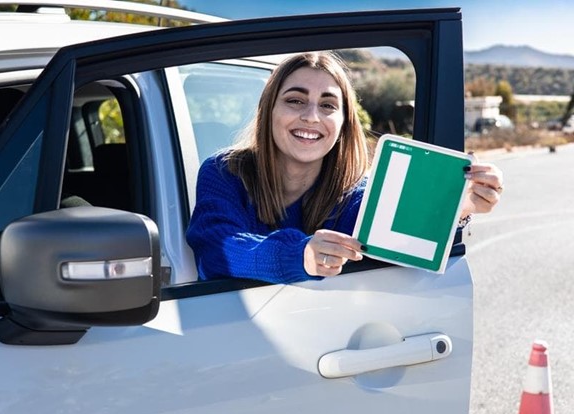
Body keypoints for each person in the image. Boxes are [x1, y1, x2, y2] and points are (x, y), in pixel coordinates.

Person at [186, 51, 503, 284]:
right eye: (295, 100)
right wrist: (301, 255)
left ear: (343, 123)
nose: (312, 117)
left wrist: (454, 208)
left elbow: (397, 247)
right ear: (269, 109)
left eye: (327, 105)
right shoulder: (224, 173)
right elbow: (218, 248)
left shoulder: (356, 196)